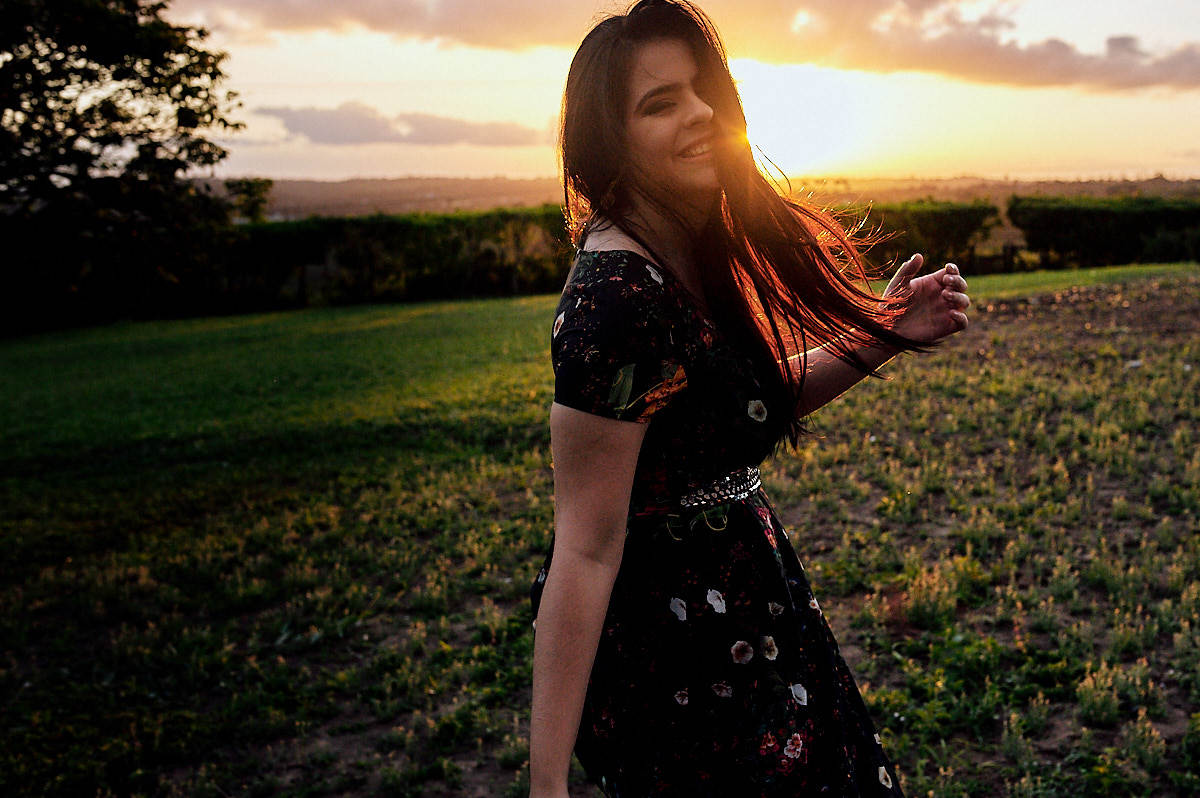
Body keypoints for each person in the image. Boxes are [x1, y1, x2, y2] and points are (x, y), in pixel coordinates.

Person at [528, 2, 971, 796]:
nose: (698, 114)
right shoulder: (615, 302)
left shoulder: (680, 251)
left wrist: (887, 331)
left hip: (750, 614)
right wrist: (546, 783)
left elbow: (742, 408)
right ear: (610, 141)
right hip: (683, 661)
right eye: (659, 103)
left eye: (702, 91)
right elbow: (585, 548)